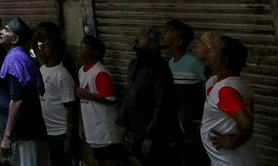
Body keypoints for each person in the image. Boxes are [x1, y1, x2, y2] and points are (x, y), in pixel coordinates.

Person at [119, 28, 178, 166]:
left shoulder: (159, 67)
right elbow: (130, 96)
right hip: (137, 131)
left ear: (153, 44)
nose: (137, 39)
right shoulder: (136, 65)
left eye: (142, 37)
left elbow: (162, 103)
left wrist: (151, 136)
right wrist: (124, 125)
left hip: (153, 134)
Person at [0, 17, 49, 166]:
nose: (1, 32)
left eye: (6, 30)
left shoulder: (15, 60)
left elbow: (17, 100)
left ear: (15, 39)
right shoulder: (23, 57)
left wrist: (7, 136)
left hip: (25, 133)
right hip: (28, 131)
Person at [197, 34, 254, 166]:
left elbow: (246, 125)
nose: (209, 50)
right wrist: (208, 121)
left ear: (225, 61)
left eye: (213, 49)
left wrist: (232, 142)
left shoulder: (225, 90)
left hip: (230, 161)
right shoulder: (235, 82)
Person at [162, 20, 207, 165]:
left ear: (178, 41)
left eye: (168, 31)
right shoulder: (171, 63)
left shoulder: (193, 63)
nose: (163, 34)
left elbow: (211, 85)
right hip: (181, 127)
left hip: (194, 127)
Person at [76, 35, 124, 162]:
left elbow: (110, 99)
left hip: (105, 132)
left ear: (93, 52)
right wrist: (81, 123)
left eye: (83, 46)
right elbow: (82, 101)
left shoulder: (99, 72)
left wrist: (86, 95)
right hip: (93, 131)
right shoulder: (82, 71)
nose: (79, 48)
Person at [37, 35, 76, 166]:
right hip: (47, 130)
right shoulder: (41, 70)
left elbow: (70, 107)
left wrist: (68, 138)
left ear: (56, 52)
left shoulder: (62, 75)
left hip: (60, 133)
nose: (42, 48)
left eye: (46, 46)